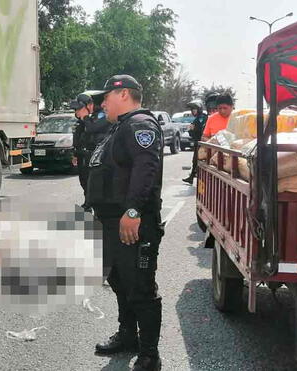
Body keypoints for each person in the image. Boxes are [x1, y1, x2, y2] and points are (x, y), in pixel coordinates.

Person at [87, 75, 164, 371]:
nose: (102, 102)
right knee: (120, 282)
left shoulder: (139, 124)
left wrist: (132, 211)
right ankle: (127, 335)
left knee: (141, 288)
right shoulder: (120, 126)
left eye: (106, 96)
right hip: (112, 224)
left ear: (123, 95)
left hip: (132, 225)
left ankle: (149, 353)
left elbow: (146, 169)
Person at [70, 92, 110, 210]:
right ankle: (88, 202)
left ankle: (93, 205)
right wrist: (75, 153)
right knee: (84, 181)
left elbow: (93, 129)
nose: (78, 111)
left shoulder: (102, 115)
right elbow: (78, 136)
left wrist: (86, 117)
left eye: (80, 108)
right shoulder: (84, 119)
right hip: (84, 155)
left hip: (97, 156)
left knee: (94, 183)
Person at [182, 100, 208, 185]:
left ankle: (193, 177)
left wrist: (193, 128)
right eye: (192, 109)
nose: (193, 111)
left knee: (198, 161)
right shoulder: (197, 118)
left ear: (199, 109)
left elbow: (201, 130)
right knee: (195, 161)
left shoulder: (202, 117)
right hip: (198, 142)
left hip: (202, 143)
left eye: (194, 109)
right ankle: (192, 177)